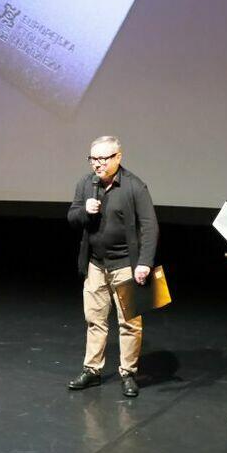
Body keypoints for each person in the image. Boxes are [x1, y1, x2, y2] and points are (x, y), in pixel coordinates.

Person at [66, 135, 159, 395]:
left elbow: (150, 227)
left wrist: (144, 262)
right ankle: (92, 370)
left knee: (129, 322)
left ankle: (128, 373)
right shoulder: (86, 184)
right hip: (95, 264)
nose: (97, 164)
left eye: (103, 158)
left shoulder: (134, 186)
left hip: (126, 264)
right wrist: (85, 211)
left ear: (118, 157)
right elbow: (72, 217)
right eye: (93, 158)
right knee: (94, 319)